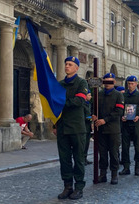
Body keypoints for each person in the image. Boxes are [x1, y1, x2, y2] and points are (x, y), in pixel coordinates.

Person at [56, 56, 88, 200]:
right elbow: (55, 105)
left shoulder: (81, 83)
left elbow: (79, 101)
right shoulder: (60, 84)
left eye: (70, 64)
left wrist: (62, 103)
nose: (67, 66)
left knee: (79, 158)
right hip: (62, 126)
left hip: (76, 127)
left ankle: (79, 187)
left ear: (76, 68)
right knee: (65, 159)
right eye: (66, 64)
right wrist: (54, 123)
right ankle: (67, 186)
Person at [92, 73, 124, 185]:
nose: (107, 84)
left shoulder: (118, 95)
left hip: (113, 129)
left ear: (114, 82)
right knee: (103, 153)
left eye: (110, 82)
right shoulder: (99, 94)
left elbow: (119, 111)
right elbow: (94, 108)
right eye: (105, 81)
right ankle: (103, 174)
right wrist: (94, 116)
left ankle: (114, 174)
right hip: (101, 129)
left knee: (114, 153)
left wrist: (105, 120)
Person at [120, 75, 139, 176]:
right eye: (129, 84)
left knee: (137, 146)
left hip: (136, 124)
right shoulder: (123, 96)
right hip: (126, 124)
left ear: (136, 84)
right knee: (125, 146)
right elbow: (120, 109)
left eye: (132, 84)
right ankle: (126, 167)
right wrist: (121, 116)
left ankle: (137, 167)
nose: (130, 86)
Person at [84, 90, 93, 165]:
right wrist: (91, 118)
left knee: (87, 144)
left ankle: (85, 158)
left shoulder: (89, 104)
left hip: (88, 126)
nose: (90, 97)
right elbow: (84, 116)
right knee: (83, 144)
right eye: (89, 95)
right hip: (83, 126)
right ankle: (82, 159)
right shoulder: (83, 104)